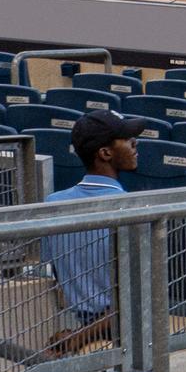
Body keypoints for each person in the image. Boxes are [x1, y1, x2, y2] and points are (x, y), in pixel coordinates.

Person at [40, 110, 147, 356]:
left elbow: (56, 276)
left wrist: (80, 334)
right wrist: (81, 337)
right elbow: (134, 303)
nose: (135, 143)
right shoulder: (131, 210)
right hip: (122, 337)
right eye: (127, 139)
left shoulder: (52, 203)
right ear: (105, 153)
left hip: (80, 327)